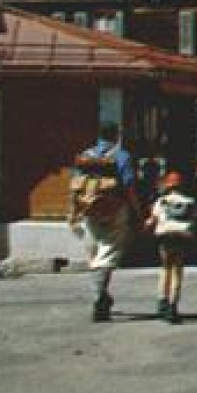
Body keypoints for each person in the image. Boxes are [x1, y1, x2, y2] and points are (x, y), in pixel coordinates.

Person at [68, 122, 140, 323]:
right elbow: (129, 188)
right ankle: (99, 298)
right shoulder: (122, 157)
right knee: (107, 255)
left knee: (94, 254)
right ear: (116, 136)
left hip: (89, 210)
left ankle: (102, 296)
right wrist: (138, 212)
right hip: (115, 211)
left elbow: (74, 188)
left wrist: (73, 213)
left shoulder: (86, 155)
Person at [147, 170, 197, 324]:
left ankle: (162, 299)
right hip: (181, 236)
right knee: (177, 270)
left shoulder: (161, 201)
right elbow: (195, 217)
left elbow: (152, 220)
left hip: (166, 236)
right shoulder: (190, 201)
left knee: (165, 268)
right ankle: (173, 304)